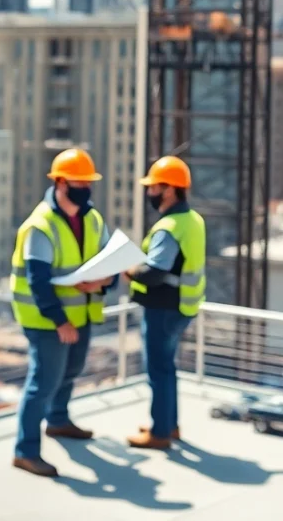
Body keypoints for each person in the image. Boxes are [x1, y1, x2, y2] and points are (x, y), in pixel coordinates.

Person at [9, 148, 117, 477]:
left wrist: (104, 281)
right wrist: (60, 321)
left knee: (72, 370)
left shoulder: (93, 218)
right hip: (46, 320)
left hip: (80, 313)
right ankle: (25, 451)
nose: (85, 188)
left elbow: (109, 262)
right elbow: (38, 282)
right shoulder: (40, 225)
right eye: (78, 182)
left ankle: (57, 421)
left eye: (88, 182)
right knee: (43, 382)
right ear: (59, 183)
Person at [124, 156, 205, 450]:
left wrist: (129, 269)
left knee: (158, 371)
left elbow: (156, 273)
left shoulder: (169, 227)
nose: (150, 193)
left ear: (169, 190)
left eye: (154, 187)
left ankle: (159, 433)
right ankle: (169, 425)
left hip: (163, 310)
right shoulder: (193, 220)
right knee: (167, 369)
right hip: (183, 307)